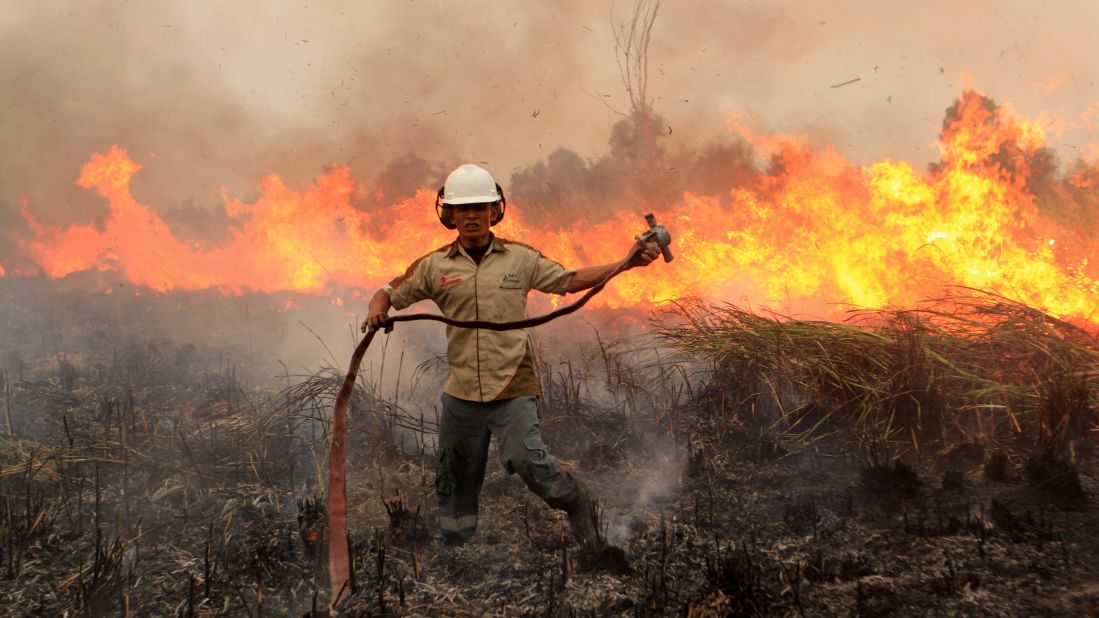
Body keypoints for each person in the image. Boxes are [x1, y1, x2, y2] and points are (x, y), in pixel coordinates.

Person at [362, 163, 660, 546]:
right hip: (462, 391)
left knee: (528, 461)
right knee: (454, 474)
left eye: (480, 207)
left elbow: (570, 281)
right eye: (463, 208)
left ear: (494, 211)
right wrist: (376, 310)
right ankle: (457, 545)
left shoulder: (520, 259)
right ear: (448, 215)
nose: (472, 216)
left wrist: (626, 263)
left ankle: (578, 503)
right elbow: (387, 292)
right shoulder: (434, 266)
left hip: (512, 385)